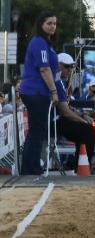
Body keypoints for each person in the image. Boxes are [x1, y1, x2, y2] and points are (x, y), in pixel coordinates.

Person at [20, 11, 60, 175]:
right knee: (38, 131)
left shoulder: (45, 44)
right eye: (49, 23)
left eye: (54, 24)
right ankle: (31, 168)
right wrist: (54, 91)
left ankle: (30, 167)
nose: (52, 27)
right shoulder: (38, 43)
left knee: (37, 130)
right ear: (41, 24)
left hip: (37, 92)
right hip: (36, 91)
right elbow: (44, 69)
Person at [53, 53, 95, 174]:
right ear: (59, 66)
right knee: (87, 131)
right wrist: (83, 121)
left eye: (72, 67)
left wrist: (83, 115)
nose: (70, 70)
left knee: (84, 130)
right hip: (54, 122)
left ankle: (79, 165)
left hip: (58, 120)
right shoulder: (56, 82)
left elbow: (68, 107)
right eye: (67, 67)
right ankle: (82, 167)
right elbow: (66, 112)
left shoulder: (59, 81)